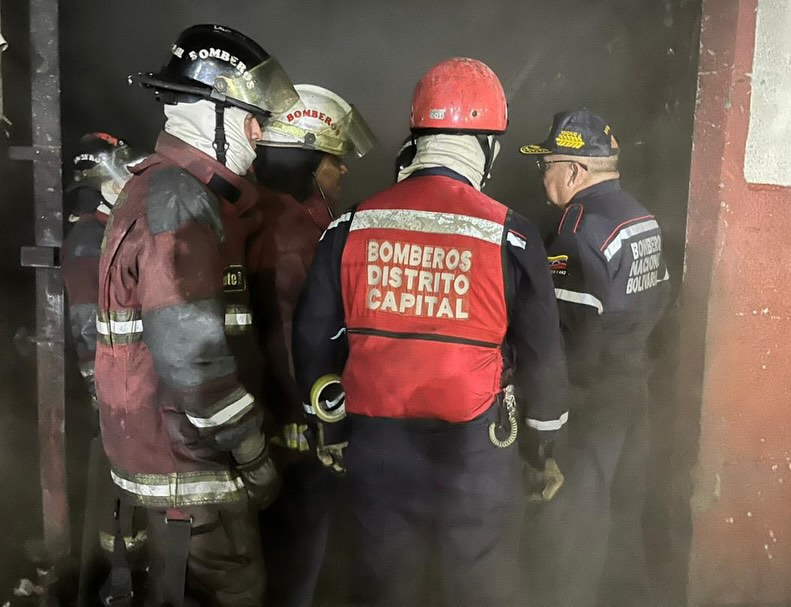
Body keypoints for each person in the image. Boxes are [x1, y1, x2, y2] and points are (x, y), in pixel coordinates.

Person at [292, 57, 569, 607]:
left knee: (383, 582)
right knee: (477, 586)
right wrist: (543, 446)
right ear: (487, 144)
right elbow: (542, 355)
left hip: (378, 448)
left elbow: (312, 338)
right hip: (478, 453)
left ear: (416, 136)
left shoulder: (352, 224)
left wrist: (331, 430)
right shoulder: (510, 235)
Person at [94, 24, 300, 607]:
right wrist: (253, 453)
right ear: (213, 113)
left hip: (165, 451)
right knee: (234, 589)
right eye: (251, 118)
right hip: (189, 461)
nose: (259, 136)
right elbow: (193, 355)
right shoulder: (180, 198)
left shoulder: (157, 187)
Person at [519, 109, 671, 607]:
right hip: (633, 390)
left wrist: (552, 424)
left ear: (575, 172)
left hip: (591, 403)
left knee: (572, 535)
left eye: (547, 165)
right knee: (623, 523)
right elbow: (662, 300)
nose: (543, 176)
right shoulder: (640, 217)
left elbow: (568, 339)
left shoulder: (577, 231)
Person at [247, 83, 376, 606]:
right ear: (304, 160)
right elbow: (291, 331)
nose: (343, 171)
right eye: (333, 161)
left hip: (274, 423)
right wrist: (316, 415)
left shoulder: (272, 217)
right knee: (297, 556)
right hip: (297, 430)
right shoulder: (296, 233)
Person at [61, 132, 148, 601]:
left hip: (121, 379)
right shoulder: (90, 239)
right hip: (111, 384)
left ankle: (127, 565)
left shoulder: (106, 231)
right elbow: (84, 319)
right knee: (117, 485)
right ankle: (119, 576)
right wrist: (104, 381)